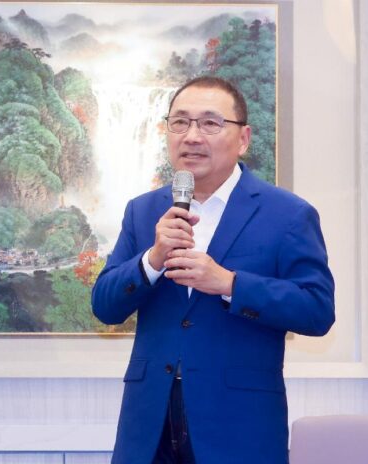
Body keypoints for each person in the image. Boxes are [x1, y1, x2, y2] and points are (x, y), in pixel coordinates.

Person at [91, 76, 335, 464]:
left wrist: (230, 284)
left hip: (238, 429)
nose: (191, 136)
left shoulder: (287, 214)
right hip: (149, 428)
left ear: (243, 138)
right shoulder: (143, 210)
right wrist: (152, 259)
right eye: (180, 122)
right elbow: (104, 306)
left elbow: (317, 310)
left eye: (209, 123)